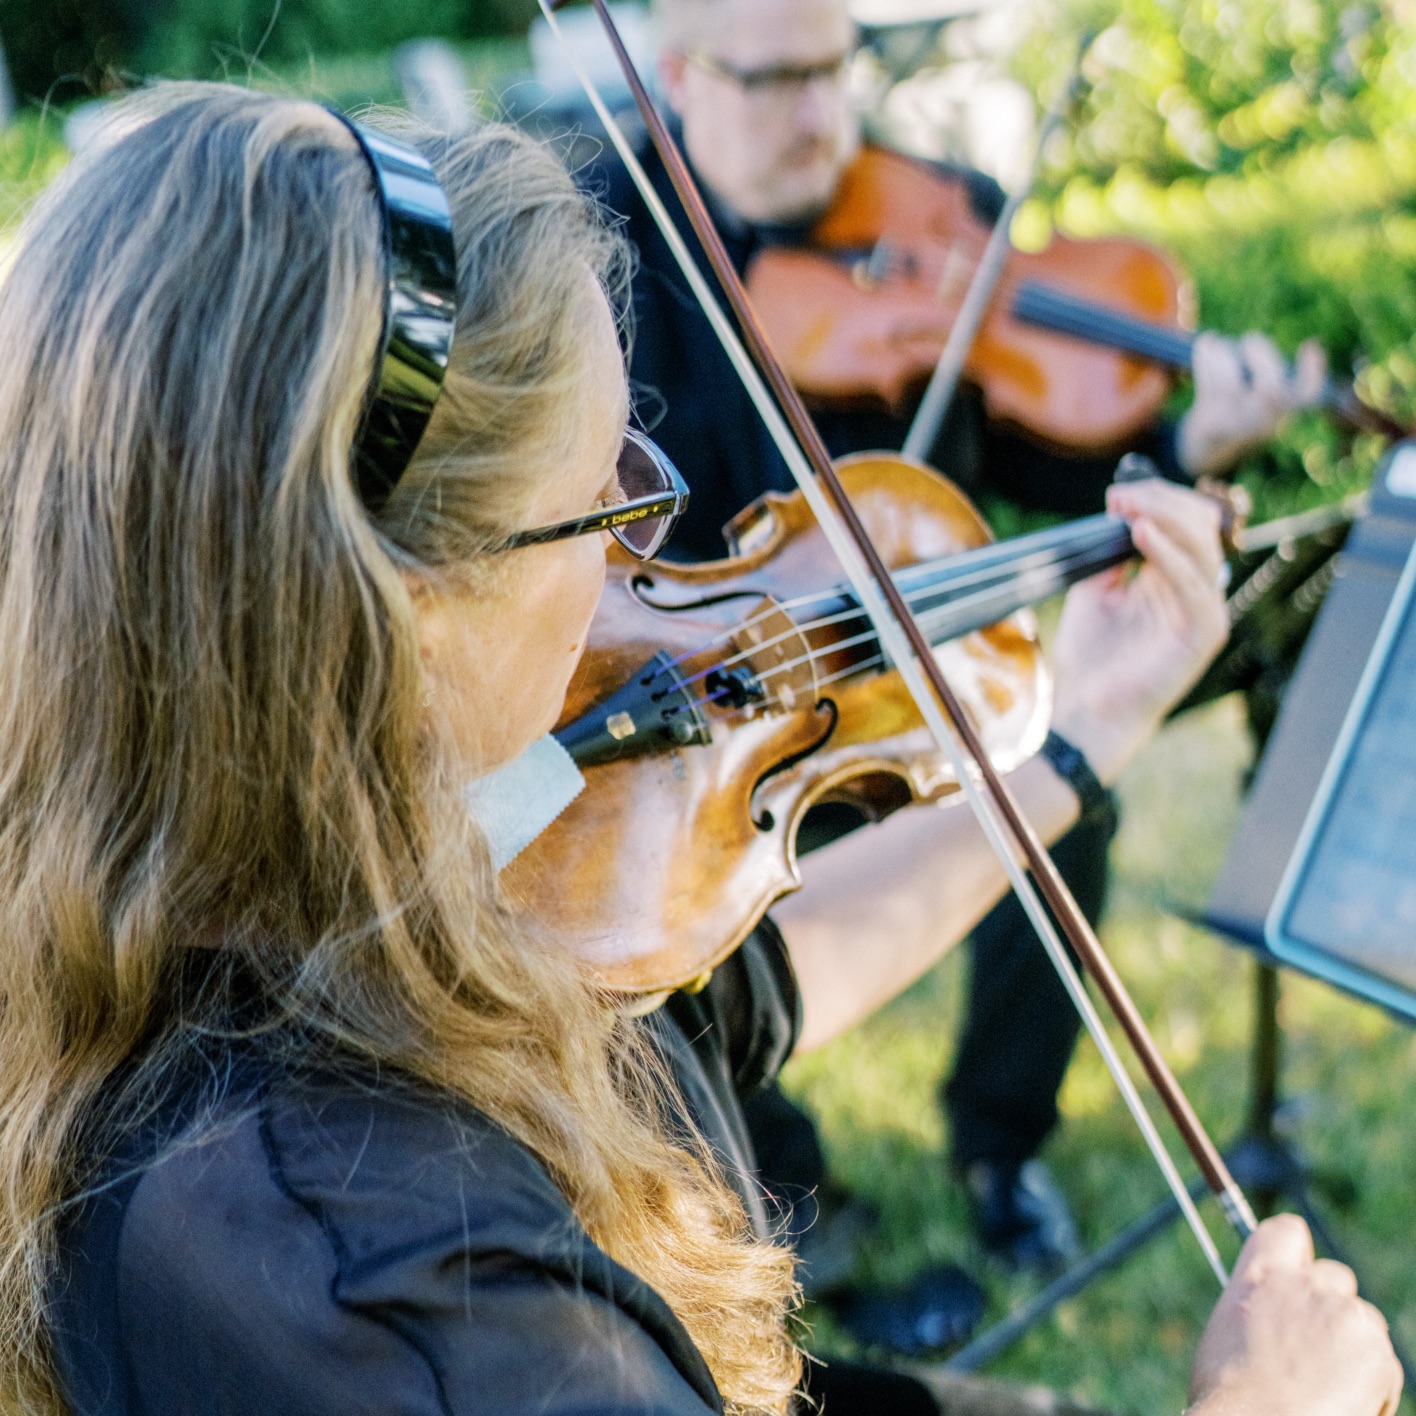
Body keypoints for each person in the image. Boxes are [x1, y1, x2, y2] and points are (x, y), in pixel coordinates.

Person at [0, 82, 1395, 1416]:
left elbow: (727, 1006)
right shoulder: (400, 1292)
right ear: (402, 607)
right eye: (606, 502)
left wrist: (1076, 735)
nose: (647, 573)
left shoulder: (337, 891)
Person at [585, 0, 1330, 1281]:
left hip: (902, 682)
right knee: (654, 885)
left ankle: (1002, 1143)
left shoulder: (938, 216)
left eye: (836, 71)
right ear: (677, 75)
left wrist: (1189, 454)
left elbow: (1046, 443)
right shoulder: (596, 244)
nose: (820, 116)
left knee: (1062, 793)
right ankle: (782, 1198)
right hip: (705, 698)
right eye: (773, 82)